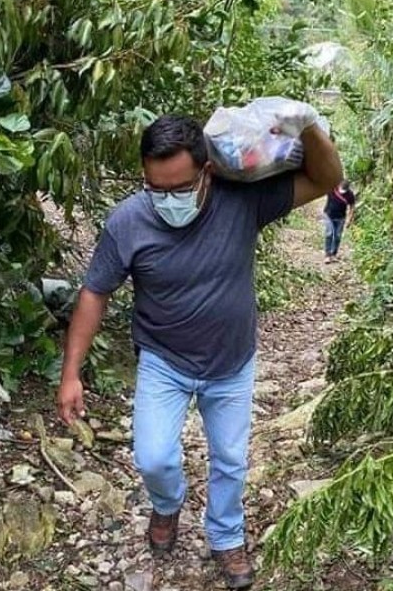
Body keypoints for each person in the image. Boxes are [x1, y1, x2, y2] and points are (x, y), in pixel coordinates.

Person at [56, 107, 342, 589]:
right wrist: (71, 374)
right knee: (154, 458)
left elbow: (326, 179)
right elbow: (94, 293)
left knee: (231, 460)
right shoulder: (128, 222)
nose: (167, 199)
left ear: (207, 171)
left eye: (179, 188)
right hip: (163, 362)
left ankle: (226, 535)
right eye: (156, 188)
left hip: (232, 362)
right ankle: (166, 506)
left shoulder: (243, 199)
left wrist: (308, 123)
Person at [322, 179, 355, 263]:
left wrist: (349, 219)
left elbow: (352, 207)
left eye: (344, 191)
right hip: (328, 215)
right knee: (329, 233)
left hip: (340, 218)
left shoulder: (350, 195)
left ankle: (333, 254)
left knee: (337, 236)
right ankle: (327, 255)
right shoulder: (332, 189)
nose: (342, 192)